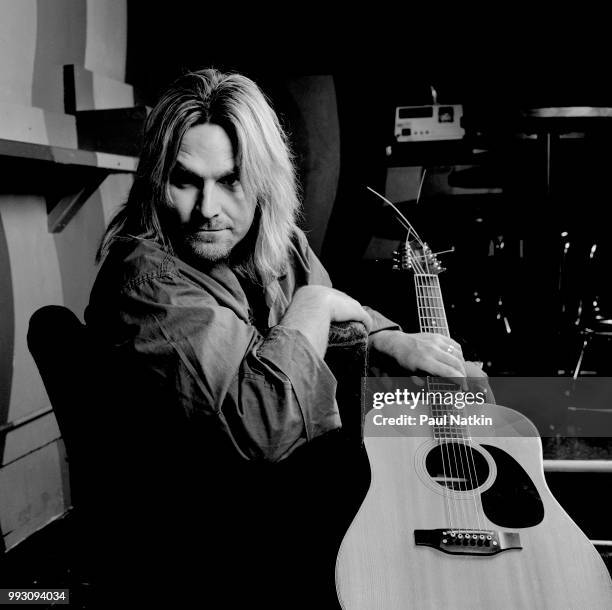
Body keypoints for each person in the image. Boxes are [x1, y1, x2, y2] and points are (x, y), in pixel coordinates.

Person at [85, 68, 488, 608]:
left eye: (230, 181)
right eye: (185, 180)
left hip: (276, 498)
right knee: (394, 484)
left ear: (263, 181)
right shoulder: (149, 281)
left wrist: (393, 339)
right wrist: (315, 303)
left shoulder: (275, 241)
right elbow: (266, 427)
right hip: (208, 538)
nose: (208, 209)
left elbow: (333, 326)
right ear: (158, 182)